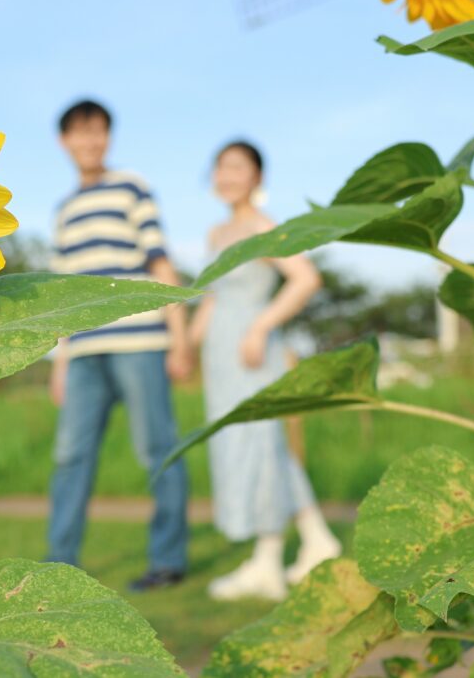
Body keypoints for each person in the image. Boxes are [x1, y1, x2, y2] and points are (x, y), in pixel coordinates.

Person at [46, 99, 193, 591]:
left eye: (98, 132)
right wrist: (58, 361)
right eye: (79, 133)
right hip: (84, 354)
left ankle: (168, 559)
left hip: (140, 341)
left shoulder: (132, 186)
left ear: (108, 137)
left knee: (157, 448)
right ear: (64, 141)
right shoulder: (63, 211)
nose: (89, 141)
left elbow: (159, 261)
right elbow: (62, 297)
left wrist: (180, 338)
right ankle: (59, 564)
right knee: (70, 455)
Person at [189, 140, 342, 601]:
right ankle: (315, 538)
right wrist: (184, 345)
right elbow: (212, 299)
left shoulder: (262, 226)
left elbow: (306, 278)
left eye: (237, 166)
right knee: (244, 447)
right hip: (221, 357)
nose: (226, 175)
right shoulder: (217, 233)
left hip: (254, 351)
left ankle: (269, 560)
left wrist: (260, 327)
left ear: (257, 177)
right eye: (220, 167)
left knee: (261, 446)